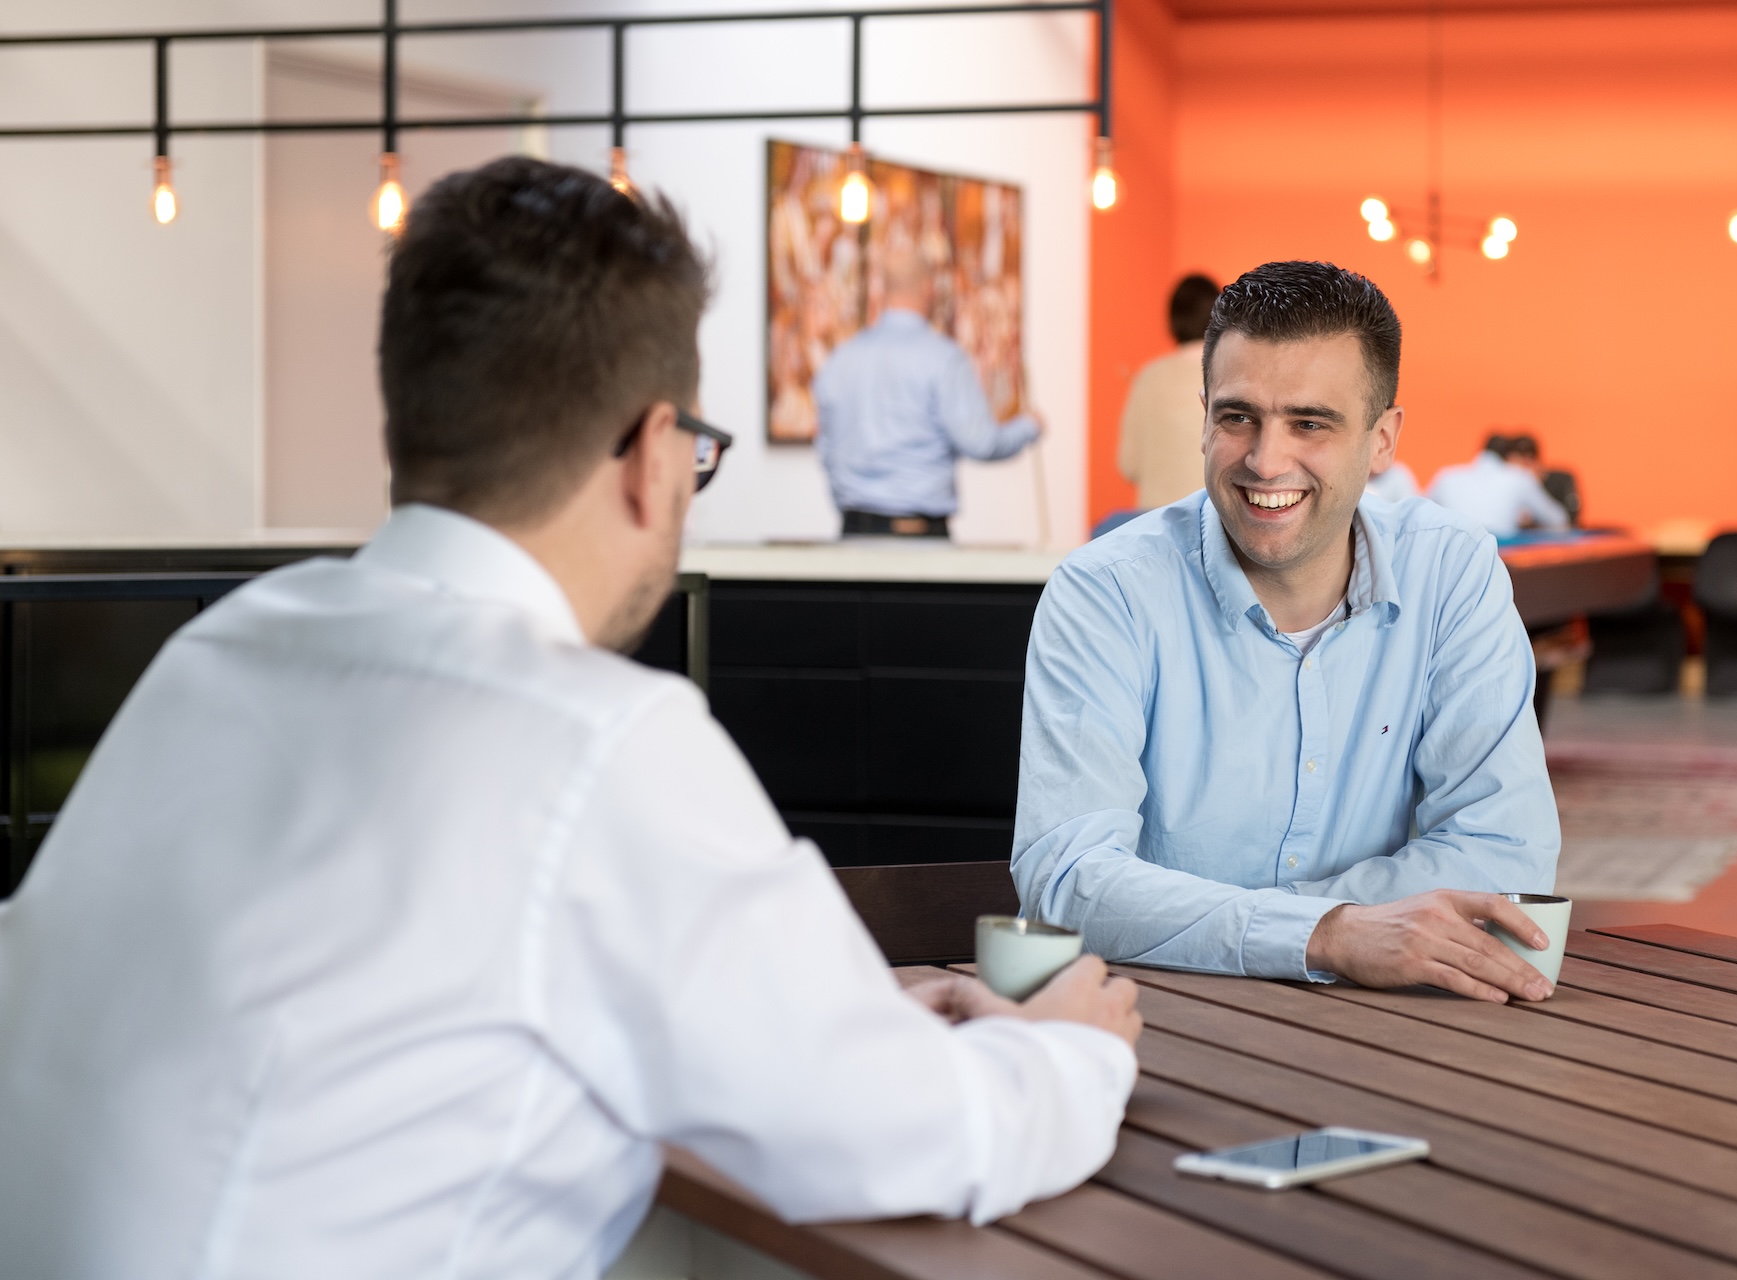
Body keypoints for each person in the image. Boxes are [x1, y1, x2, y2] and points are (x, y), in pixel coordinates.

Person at [0, 158, 1140, 1277]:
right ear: (653, 455)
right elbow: (914, 1139)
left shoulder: (223, 649)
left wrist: (812, 1011)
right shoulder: (597, 734)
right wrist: (1068, 1053)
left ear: (404, 429)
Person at [1014, 260, 1560, 1005]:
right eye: (1237, 417)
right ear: (1204, 418)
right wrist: (1327, 934)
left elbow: (1505, 856)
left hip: (1386, 1029)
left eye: (1309, 423)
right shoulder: (1104, 592)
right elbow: (1067, 880)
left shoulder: (1452, 571)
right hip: (1153, 1023)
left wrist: (1212, 922)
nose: (1265, 461)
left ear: (1382, 440)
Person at [813, 240, 1041, 538]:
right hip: (920, 540)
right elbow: (981, 443)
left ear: (884, 289)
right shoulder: (944, 359)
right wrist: (1029, 427)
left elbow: (826, 447)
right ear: (928, 288)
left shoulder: (841, 359)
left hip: (854, 531)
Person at [1116, 273, 1219, 511]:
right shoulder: (1229, 374)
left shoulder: (1148, 378)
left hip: (1156, 520)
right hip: (1212, 518)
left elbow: (1128, 464)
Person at [1425, 432, 1570, 537]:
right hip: (1501, 552)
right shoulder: (1519, 477)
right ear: (1509, 458)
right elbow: (1558, 519)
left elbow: (1421, 513)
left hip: (1452, 551)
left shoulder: (1446, 475)